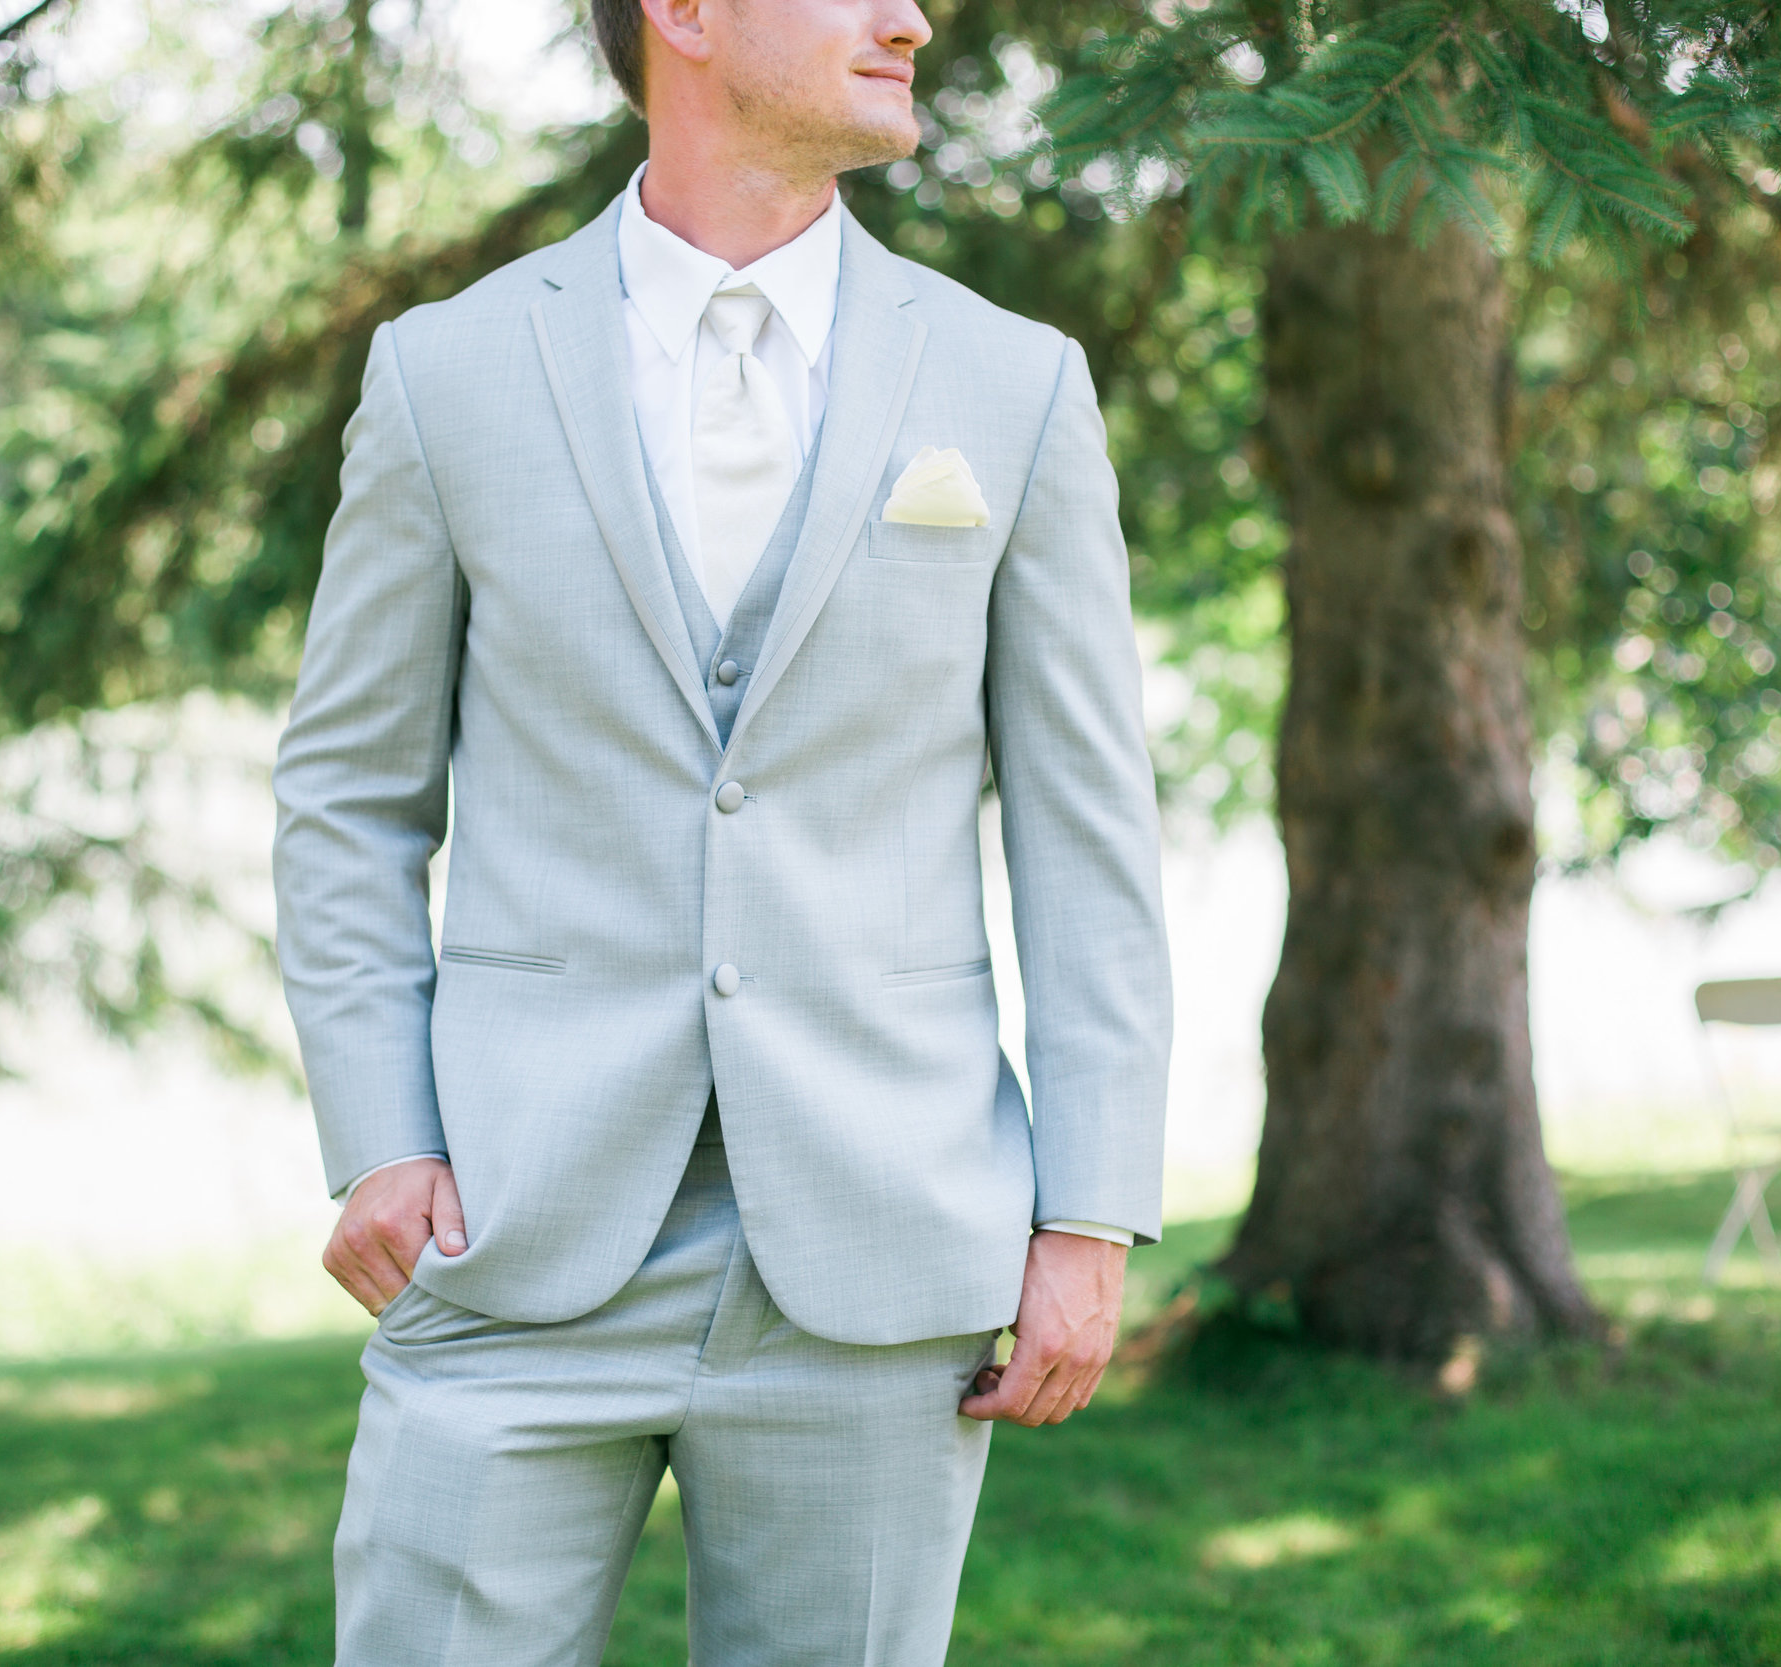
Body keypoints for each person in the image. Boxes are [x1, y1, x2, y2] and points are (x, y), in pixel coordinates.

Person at [270, 1, 1170, 1660]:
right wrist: (381, 1133)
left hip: (881, 1245)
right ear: (683, 11)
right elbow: (348, 796)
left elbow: (1087, 832)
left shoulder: (1014, 383)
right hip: (510, 1232)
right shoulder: (449, 372)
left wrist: (1088, 1214)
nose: (914, 15)